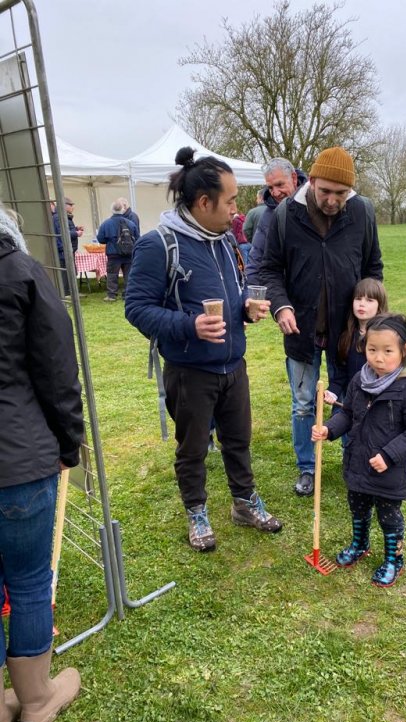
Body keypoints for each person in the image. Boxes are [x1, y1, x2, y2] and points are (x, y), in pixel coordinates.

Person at [125, 147, 283, 552]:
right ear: (203, 202)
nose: (236, 209)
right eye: (229, 201)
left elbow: (232, 292)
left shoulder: (225, 239)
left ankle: (244, 503)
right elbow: (137, 308)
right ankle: (196, 511)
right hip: (190, 370)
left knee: (239, 440)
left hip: (234, 364)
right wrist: (189, 326)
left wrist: (246, 307)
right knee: (193, 447)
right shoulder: (158, 245)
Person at [0, 203, 84, 722]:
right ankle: (34, 702)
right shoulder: (23, 272)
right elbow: (58, 370)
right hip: (20, 460)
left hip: (18, 454)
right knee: (29, 581)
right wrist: (68, 441)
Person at [259, 146, 384, 497]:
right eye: (325, 191)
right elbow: (270, 269)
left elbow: (373, 267)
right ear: (310, 181)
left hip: (351, 331)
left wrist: (371, 310)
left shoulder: (362, 212)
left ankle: (351, 460)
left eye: (340, 193)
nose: (332, 200)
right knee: (303, 402)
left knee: (352, 396)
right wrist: (280, 307)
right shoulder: (286, 214)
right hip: (302, 329)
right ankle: (307, 468)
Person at [312, 314, 406, 587]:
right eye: (372, 349)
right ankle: (359, 544)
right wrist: (329, 430)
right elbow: (349, 414)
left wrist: (389, 456)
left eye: (387, 351)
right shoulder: (360, 380)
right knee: (358, 506)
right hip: (359, 461)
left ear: (405, 350)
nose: (378, 358)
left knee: (388, 516)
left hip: (389, 470)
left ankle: (394, 559)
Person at [324, 278, 389, 407]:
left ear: (379, 305)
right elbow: (342, 372)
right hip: (351, 402)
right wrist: (332, 392)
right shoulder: (347, 336)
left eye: (369, 300)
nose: (362, 304)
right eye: (358, 299)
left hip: (379, 403)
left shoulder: (386, 337)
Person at [245, 158, 307, 285]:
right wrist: (254, 293)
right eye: (270, 187)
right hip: (279, 294)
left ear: (294, 178)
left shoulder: (313, 205)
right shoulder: (268, 216)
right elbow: (256, 261)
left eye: (280, 185)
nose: (275, 193)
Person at [96, 200, 139, 302]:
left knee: (112, 274)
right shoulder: (130, 223)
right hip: (129, 253)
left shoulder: (106, 223)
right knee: (128, 274)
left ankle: (112, 295)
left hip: (113, 253)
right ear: (123, 210)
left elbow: (100, 239)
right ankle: (128, 294)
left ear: (112, 210)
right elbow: (137, 237)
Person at [52, 197, 83, 295]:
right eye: (71, 205)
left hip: (68, 249)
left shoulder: (62, 216)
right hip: (63, 250)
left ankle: (71, 292)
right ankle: (66, 294)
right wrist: (76, 233)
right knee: (66, 273)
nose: (72, 207)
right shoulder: (58, 217)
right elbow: (63, 233)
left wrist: (75, 228)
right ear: (64, 206)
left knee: (70, 271)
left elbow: (66, 229)